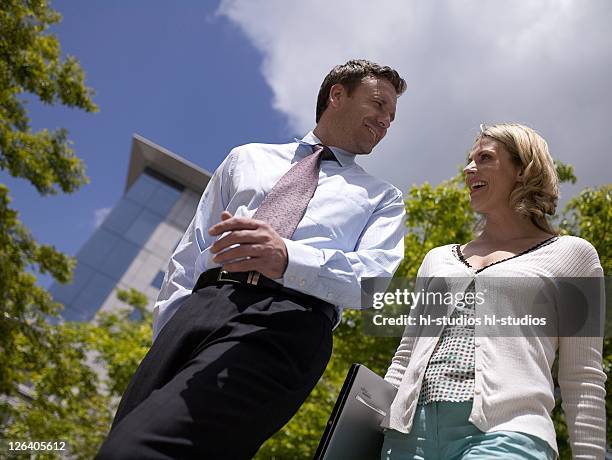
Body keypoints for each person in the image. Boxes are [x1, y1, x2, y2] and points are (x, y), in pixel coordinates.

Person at [96, 59, 407, 459]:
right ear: (337, 94)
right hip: (198, 311)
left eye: (392, 117)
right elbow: (191, 252)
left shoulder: (383, 197)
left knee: (136, 450)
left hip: (287, 322)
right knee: (123, 438)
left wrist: (287, 259)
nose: (386, 121)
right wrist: (172, 330)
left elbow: (374, 285)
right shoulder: (246, 158)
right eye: (379, 105)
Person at [382, 123, 606, 459]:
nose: (468, 168)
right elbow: (405, 356)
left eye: (484, 158)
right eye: (469, 160)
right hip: (408, 438)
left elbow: (582, 376)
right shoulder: (437, 259)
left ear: (523, 170)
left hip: (508, 434)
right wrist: (371, 422)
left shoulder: (573, 255)